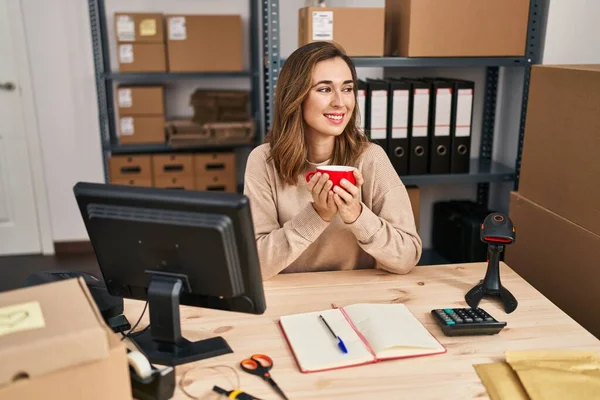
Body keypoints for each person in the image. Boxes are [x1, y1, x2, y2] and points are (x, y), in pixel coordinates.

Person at [244, 42, 422, 280]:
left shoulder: (371, 158)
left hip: (357, 299)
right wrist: (317, 214)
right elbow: (255, 264)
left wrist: (358, 215)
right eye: (324, 89)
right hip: (289, 297)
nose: (340, 102)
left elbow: (407, 256)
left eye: (347, 89)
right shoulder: (263, 161)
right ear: (296, 97)